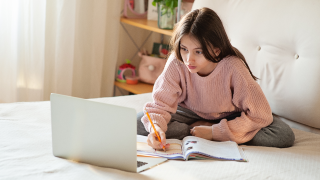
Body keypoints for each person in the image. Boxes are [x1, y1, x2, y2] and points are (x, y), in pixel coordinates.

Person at [137, 7, 295, 150]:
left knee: (282, 135)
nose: (188, 59)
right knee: (138, 122)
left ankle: (210, 131)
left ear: (216, 50)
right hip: (188, 113)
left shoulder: (233, 67)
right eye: (184, 49)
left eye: (198, 52)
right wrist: (156, 129)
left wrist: (215, 132)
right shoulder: (177, 62)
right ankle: (196, 129)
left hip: (230, 116)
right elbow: (159, 106)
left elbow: (261, 114)